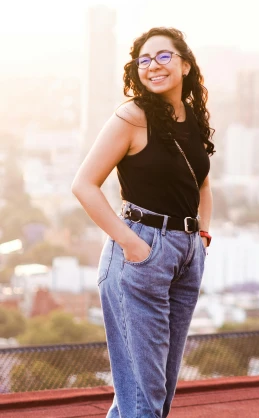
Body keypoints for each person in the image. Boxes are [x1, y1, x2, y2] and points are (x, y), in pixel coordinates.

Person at [72, 27, 215, 418]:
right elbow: (84, 185)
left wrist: (201, 235)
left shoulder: (191, 119)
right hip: (141, 252)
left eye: (164, 56)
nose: (153, 65)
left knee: (157, 391)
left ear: (185, 64)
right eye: (145, 59)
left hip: (185, 255)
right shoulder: (131, 117)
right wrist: (132, 245)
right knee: (144, 398)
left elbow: (202, 183)